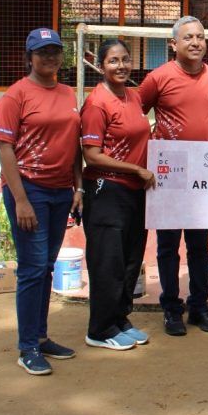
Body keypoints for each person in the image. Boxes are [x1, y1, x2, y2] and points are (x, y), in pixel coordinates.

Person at [0, 28, 83, 376]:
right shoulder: (15, 96)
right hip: (28, 190)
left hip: (61, 191)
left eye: (54, 51)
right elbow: (4, 148)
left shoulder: (68, 94)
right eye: (42, 52)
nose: (49, 57)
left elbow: (75, 145)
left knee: (45, 266)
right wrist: (20, 200)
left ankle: (41, 336)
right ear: (29, 57)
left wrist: (78, 188)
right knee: (32, 269)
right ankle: (27, 346)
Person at [138, 16, 208, 337]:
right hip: (167, 176)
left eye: (200, 37)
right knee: (167, 245)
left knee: (200, 244)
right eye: (188, 37)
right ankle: (171, 308)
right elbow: (136, 115)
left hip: (201, 175)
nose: (196, 43)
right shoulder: (158, 78)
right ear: (173, 44)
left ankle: (199, 307)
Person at [80, 39, 155, 350]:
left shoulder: (134, 97)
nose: (121, 66)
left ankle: (120, 318)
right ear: (101, 66)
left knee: (129, 260)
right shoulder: (97, 103)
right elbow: (92, 154)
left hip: (134, 193)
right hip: (107, 190)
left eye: (125, 59)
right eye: (113, 61)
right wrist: (136, 170)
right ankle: (99, 329)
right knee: (107, 262)